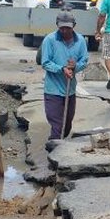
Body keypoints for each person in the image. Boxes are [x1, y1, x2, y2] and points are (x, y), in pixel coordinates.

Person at [40, 12, 89, 148]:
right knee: (57, 126)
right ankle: (53, 153)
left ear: (73, 26)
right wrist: (62, 69)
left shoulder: (80, 41)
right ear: (57, 26)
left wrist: (75, 67)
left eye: (68, 28)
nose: (65, 31)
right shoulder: (50, 40)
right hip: (53, 90)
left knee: (67, 125)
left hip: (70, 89)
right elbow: (45, 62)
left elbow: (84, 61)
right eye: (62, 28)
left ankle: (58, 145)